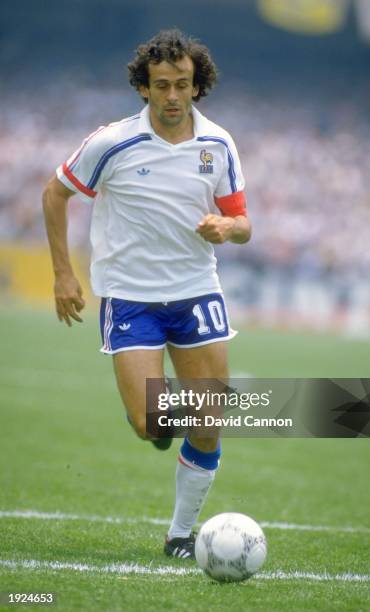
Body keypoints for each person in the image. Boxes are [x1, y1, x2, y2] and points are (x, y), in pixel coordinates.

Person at [42, 29, 251, 560]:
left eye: (183, 84)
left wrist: (227, 230)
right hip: (130, 297)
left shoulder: (218, 143)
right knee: (148, 422)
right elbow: (54, 193)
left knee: (208, 428)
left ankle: (181, 535)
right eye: (162, 86)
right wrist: (64, 275)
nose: (174, 96)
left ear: (198, 86)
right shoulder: (112, 142)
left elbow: (243, 221)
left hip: (196, 292)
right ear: (145, 88)